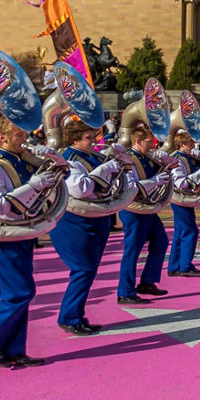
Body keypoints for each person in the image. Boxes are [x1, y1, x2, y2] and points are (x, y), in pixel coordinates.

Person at [0, 113, 66, 368]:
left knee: (18, 293)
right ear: (2, 137)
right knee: (20, 292)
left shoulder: (21, 161)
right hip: (2, 235)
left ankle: (13, 349)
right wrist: (33, 187)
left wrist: (54, 161)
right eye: (20, 135)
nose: (26, 139)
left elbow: (58, 176)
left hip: (21, 232)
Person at [53, 119, 126, 335]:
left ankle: (77, 315)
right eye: (88, 138)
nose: (93, 142)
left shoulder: (92, 156)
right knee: (83, 269)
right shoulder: (70, 159)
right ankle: (69, 317)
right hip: (75, 222)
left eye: (93, 137)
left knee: (89, 270)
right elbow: (80, 188)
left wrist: (121, 164)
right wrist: (107, 168)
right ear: (74, 139)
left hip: (97, 218)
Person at [116, 122, 172, 304]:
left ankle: (147, 281)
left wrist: (168, 166)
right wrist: (155, 181)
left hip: (148, 209)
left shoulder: (147, 157)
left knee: (161, 242)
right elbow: (130, 186)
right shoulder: (129, 160)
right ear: (138, 141)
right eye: (149, 142)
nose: (152, 145)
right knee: (132, 251)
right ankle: (125, 291)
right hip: (133, 210)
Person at [166, 130, 200, 277]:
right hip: (180, 198)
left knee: (181, 232)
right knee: (190, 231)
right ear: (181, 144)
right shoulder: (178, 159)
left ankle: (174, 266)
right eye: (190, 143)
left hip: (184, 199)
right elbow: (180, 183)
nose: (193, 145)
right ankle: (185, 266)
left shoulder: (188, 156)